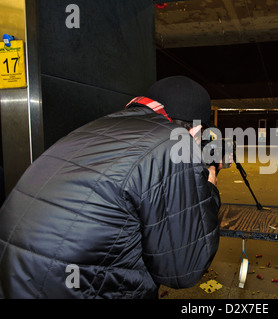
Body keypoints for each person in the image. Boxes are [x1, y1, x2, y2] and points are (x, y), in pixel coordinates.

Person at [0, 76, 221, 299]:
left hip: (15, 278)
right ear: (194, 132)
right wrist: (209, 189)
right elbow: (184, 268)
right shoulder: (173, 144)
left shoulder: (96, 128)